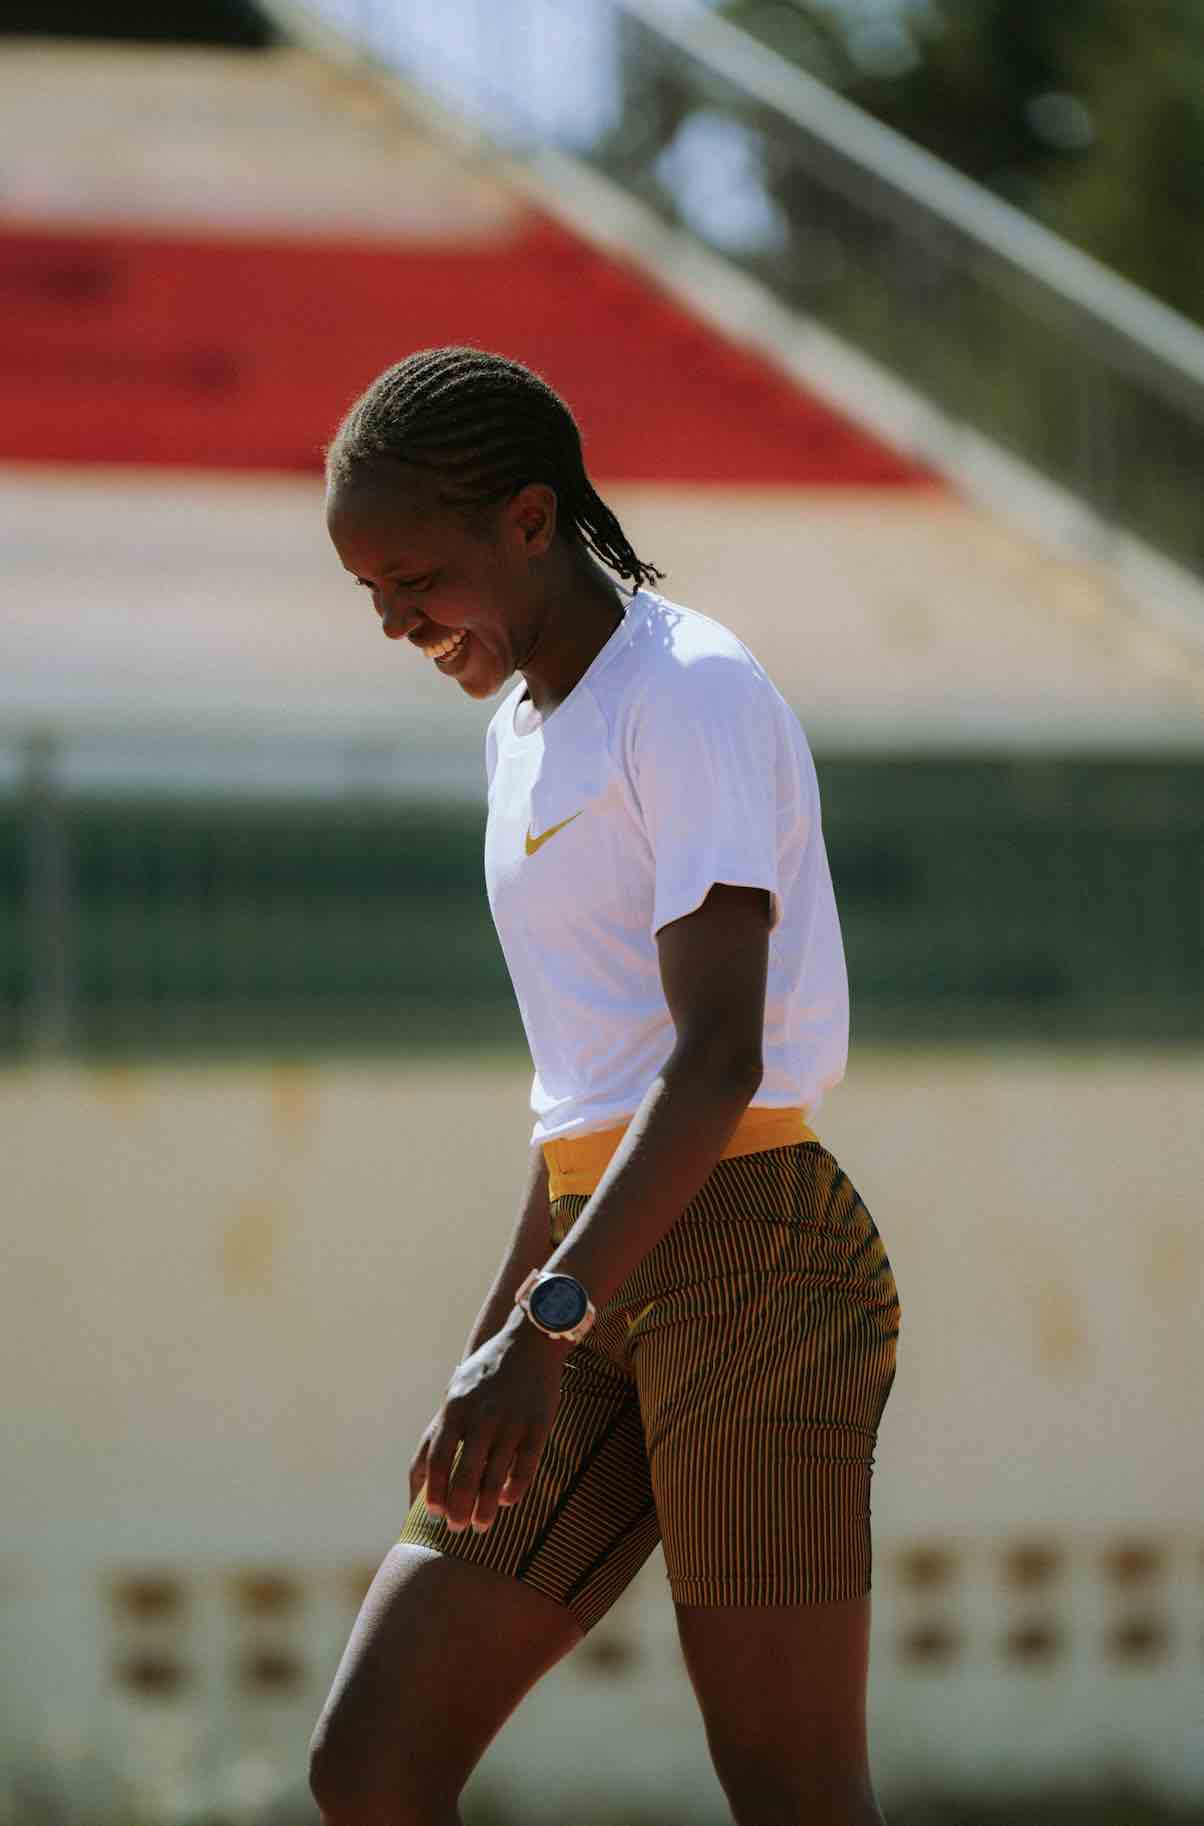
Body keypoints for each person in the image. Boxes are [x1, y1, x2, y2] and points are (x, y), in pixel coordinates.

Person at [310, 345, 902, 1826]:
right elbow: (580, 1099)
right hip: (591, 1272)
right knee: (369, 1765)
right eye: (370, 590)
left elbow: (717, 1058)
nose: (393, 621)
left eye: (415, 578)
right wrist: (492, 1345)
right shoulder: (517, 738)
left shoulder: (687, 691)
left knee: (791, 1788)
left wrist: (541, 1328)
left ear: (529, 519)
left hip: (755, 1256)